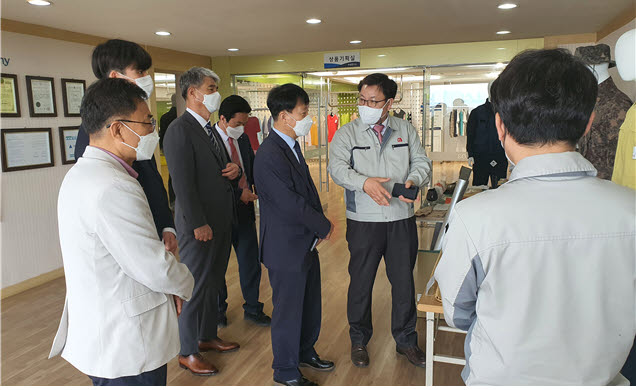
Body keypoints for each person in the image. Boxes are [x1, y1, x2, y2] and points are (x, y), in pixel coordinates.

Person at [434, 49, 636, 385]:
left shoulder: (475, 216)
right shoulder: (630, 210)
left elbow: (456, 313)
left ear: (500, 125)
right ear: (588, 122)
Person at [49, 78, 195, 386]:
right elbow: (153, 265)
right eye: (146, 122)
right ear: (118, 129)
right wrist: (184, 284)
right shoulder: (113, 187)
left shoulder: (81, 174)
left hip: (105, 334)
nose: (152, 131)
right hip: (127, 344)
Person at [328, 73, 432, 368]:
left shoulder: (405, 130)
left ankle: (406, 341)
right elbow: (336, 169)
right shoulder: (347, 133)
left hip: (401, 217)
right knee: (361, 282)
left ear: (389, 102)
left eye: (373, 100)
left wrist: (414, 180)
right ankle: (359, 340)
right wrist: (364, 183)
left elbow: (422, 161)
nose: (366, 105)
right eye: (362, 99)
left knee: (403, 282)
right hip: (363, 220)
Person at [254, 84, 335, 386]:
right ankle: (285, 370)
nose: (308, 118)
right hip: (285, 247)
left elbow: (306, 193)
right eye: (303, 113)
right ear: (285, 116)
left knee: (310, 303)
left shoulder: (291, 145)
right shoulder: (269, 154)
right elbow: (289, 203)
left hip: (304, 244)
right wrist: (324, 225)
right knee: (288, 311)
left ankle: (304, 351)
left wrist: (318, 224)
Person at [163, 67, 241, 376]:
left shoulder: (208, 128)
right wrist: (197, 223)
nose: (215, 94)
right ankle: (187, 350)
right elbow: (182, 184)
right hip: (199, 224)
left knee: (212, 282)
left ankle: (207, 336)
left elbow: (217, 170)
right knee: (194, 286)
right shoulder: (180, 129)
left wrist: (233, 171)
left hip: (220, 218)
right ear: (193, 93)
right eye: (211, 88)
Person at [74, 39, 177, 255]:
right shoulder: (92, 135)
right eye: (139, 71)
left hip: (151, 233)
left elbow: (151, 177)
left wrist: (166, 224)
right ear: (115, 77)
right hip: (131, 239)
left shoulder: (135, 126)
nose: (146, 78)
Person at [215, 95, 271, 328]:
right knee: (219, 265)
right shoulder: (208, 142)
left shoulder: (244, 140)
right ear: (223, 119)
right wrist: (239, 194)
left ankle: (253, 308)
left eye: (243, 124)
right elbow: (211, 181)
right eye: (237, 124)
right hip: (220, 212)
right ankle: (218, 311)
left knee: (250, 262)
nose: (240, 128)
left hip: (246, 211)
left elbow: (250, 168)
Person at [159, 93, 178, 210]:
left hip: (168, 149)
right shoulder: (179, 116)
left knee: (172, 175)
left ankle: (172, 201)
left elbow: (162, 136)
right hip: (178, 148)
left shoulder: (164, 117)